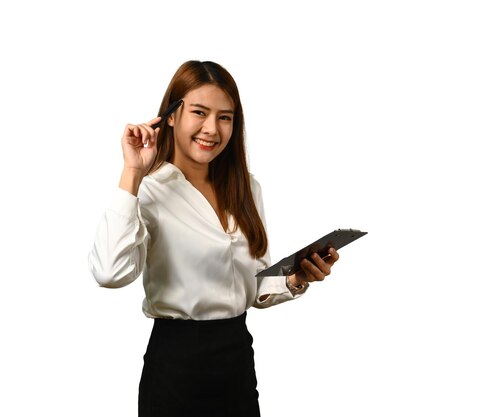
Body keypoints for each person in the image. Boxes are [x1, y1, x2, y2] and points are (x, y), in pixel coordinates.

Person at [88, 60, 340, 416]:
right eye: (199, 112)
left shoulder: (246, 188)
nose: (212, 128)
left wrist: (296, 278)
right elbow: (110, 273)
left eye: (225, 117)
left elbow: (253, 288)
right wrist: (132, 172)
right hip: (175, 369)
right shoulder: (149, 192)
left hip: (237, 362)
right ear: (171, 116)